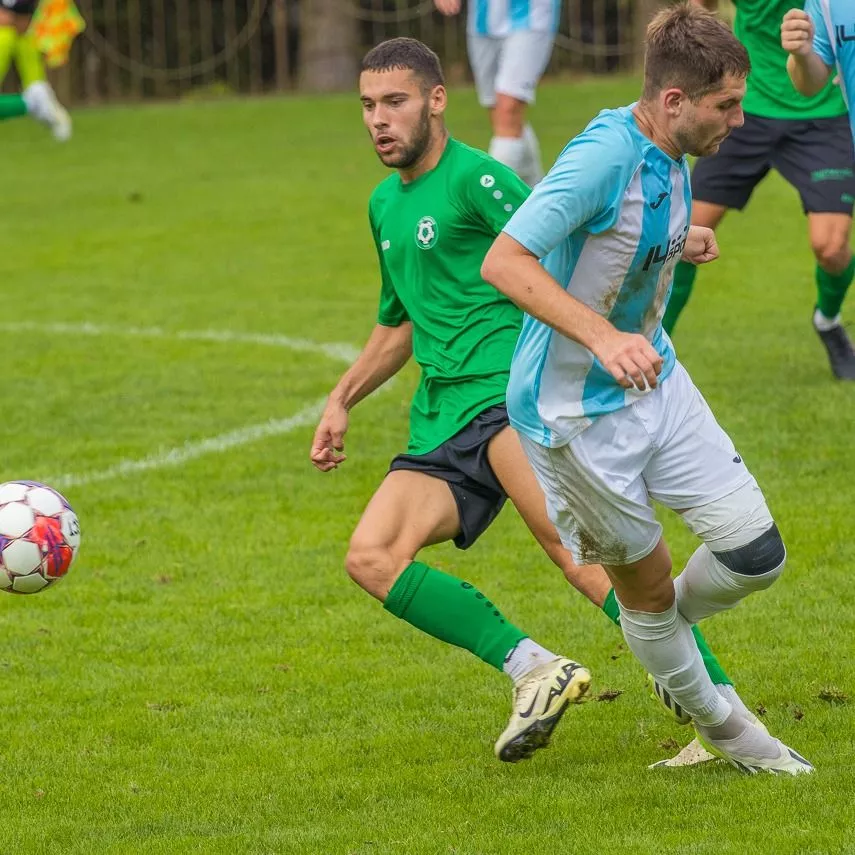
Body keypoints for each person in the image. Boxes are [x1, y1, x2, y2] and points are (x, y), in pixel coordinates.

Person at [311, 35, 736, 767]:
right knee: (372, 556)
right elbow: (399, 322)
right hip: (441, 416)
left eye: (394, 102)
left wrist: (671, 237)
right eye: (368, 105)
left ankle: (718, 705)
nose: (378, 119)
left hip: (505, 397)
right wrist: (341, 397)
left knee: (584, 557)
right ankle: (535, 668)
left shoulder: (478, 178)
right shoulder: (383, 204)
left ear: (436, 101)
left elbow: (564, 241)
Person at [481, 3, 813, 774]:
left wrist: (674, 241)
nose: (739, 119)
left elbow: (617, 233)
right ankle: (730, 734)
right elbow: (504, 261)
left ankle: (660, 641)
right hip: (573, 418)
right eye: (725, 105)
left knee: (754, 552)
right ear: (672, 101)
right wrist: (602, 336)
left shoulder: (670, 143)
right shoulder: (602, 155)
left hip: (654, 381)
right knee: (649, 591)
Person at [664, 0, 855, 382]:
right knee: (682, 233)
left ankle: (828, 320)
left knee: (831, 248)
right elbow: (698, 10)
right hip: (746, 108)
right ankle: (654, 347)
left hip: (822, 113)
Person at [433, 0, 555, 186]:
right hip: (482, 22)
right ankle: (537, 190)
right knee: (500, 114)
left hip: (531, 17)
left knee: (508, 110)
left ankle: (488, 191)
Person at [0, 0, 71, 139]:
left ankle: (36, 101)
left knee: (15, 35)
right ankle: (35, 102)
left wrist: (19, 13)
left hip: (20, 27)